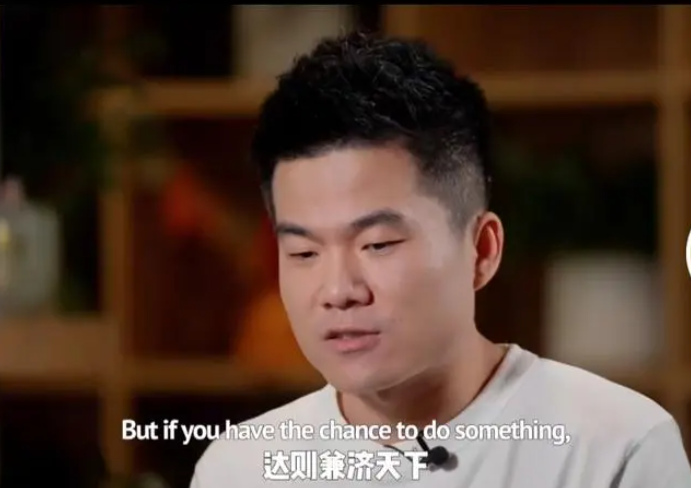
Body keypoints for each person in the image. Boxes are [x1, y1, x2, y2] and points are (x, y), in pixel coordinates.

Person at [190, 31, 691, 487]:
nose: (339, 290)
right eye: (303, 252)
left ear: (482, 250)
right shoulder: (239, 469)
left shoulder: (614, 450)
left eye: (378, 244)